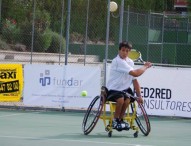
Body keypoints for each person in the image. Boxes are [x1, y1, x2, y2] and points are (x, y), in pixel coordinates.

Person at [106, 41, 152, 131]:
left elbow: (134, 80)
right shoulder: (117, 61)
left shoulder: (130, 62)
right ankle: (115, 120)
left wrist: (139, 96)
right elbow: (136, 73)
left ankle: (120, 119)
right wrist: (145, 66)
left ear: (129, 52)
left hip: (125, 90)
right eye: (123, 50)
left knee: (127, 100)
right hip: (113, 89)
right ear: (119, 51)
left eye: (127, 51)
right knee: (120, 100)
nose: (125, 53)